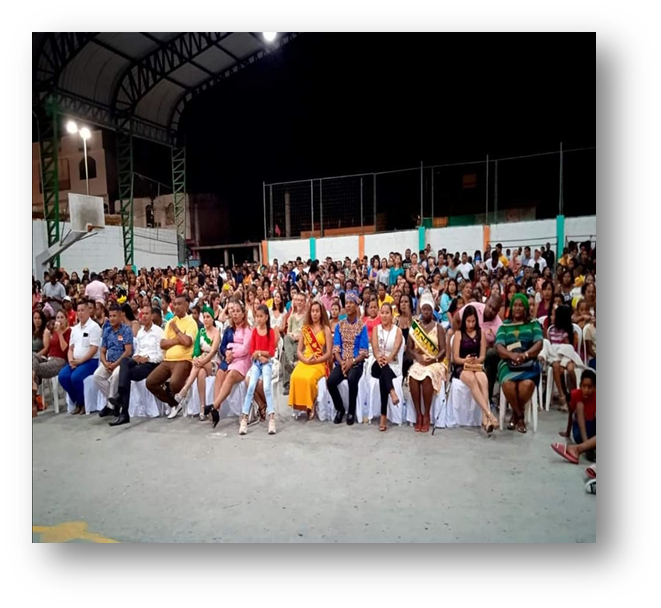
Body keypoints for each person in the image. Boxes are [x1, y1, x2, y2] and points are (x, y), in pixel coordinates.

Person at [106, 305, 165, 427]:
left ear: (152, 316)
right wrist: (136, 357)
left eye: (147, 314)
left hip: (151, 364)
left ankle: (123, 410)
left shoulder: (158, 332)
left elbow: (161, 356)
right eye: (142, 314)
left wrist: (147, 358)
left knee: (126, 375)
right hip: (139, 361)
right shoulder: (140, 333)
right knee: (124, 361)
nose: (144, 316)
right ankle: (122, 402)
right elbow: (137, 350)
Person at [495, 294, 544, 433]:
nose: (517, 308)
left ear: (526, 308)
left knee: (526, 385)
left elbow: (539, 343)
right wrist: (511, 355)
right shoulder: (504, 326)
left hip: (528, 361)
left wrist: (526, 354)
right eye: (515, 305)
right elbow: (499, 346)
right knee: (508, 384)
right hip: (508, 362)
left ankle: (515, 415)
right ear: (511, 308)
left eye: (521, 305)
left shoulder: (533, 324)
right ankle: (520, 416)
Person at [145, 294, 198, 420]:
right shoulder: (170, 322)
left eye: (179, 304)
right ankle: (173, 403)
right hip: (167, 360)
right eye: (175, 304)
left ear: (186, 305)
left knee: (174, 383)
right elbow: (162, 344)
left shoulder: (191, 322)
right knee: (150, 382)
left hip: (184, 360)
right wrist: (178, 340)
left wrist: (176, 330)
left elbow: (187, 342)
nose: (176, 307)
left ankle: (178, 400)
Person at [452, 305, 500, 434]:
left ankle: (484, 419)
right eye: (468, 321)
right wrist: (465, 360)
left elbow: (483, 356)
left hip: (476, 365)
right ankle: (489, 414)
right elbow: (455, 358)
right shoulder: (459, 334)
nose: (471, 324)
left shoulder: (481, 334)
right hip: (462, 366)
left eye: (473, 321)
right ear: (464, 321)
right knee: (472, 380)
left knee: (483, 380)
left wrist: (477, 360)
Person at [207, 300, 253, 427]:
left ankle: (214, 406)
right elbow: (222, 347)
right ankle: (216, 411)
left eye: (238, 311)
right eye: (233, 311)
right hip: (229, 359)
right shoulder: (229, 329)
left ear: (243, 314)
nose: (235, 314)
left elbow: (245, 350)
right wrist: (226, 352)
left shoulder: (248, 330)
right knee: (220, 374)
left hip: (243, 360)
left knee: (231, 375)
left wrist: (231, 350)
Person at [407, 293, 447, 433]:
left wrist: (434, 359)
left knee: (427, 376)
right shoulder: (415, 328)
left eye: (428, 309)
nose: (426, 312)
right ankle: (418, 414)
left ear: (432, 311)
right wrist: (417, 356)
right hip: (421, 360)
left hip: (435, 361)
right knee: (413, 375)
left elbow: (443, 350)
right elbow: (409, 349)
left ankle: (427, 415)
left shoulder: (438, 327)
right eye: (424, 309)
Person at [328, 292, 369, 426]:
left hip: (356, 363)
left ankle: (351, 412)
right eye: (347, 303)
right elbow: (336, 348)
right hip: (341, 362)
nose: (349, 305)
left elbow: (364, 351)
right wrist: (342, 363)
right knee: (330, 382)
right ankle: (340, 409)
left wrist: (352, 362)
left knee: (352, 379)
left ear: (357, 306)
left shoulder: (362, 326)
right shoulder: (340, 325)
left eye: (352, 303)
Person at [174, 305, 221, 420]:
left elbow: (213, 352)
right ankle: (202, 407)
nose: (206, 319)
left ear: (212, 318)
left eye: (208, 317)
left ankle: (185, 389)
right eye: (204, 317)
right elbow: (196, 349)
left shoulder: (216, 333)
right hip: (201, 362)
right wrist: (195, 358)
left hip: (213, 362)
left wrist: (201, 361)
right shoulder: (201, 331)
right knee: (200, 373)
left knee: (199, 364)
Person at [288, 301, 333, 420]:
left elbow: (329, 353)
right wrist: (305, 360)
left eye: (317, 311)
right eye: (313, 311)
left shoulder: (326, 330)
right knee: (294, 377)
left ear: (321, 313)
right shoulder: (305, 329)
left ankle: (310, 404)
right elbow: (299, 350)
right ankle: (300, 406)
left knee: (309, 379)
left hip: (320, 362)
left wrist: (316, 360)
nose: (315, 314)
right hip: (306, 360)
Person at [58, 299, 102, 415]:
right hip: (75, 361)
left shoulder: (94, 327)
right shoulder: (75, 329)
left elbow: (94, 349)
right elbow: (70, 348)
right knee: (63, 376)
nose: (80, 313)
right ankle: (77, 400)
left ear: (88, 311)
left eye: (83, 310)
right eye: (78, 311)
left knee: (76, 377)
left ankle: (82, 403)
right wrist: (71, 360)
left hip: (90, 361)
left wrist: (80, 361)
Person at [239, 305, 277, 435]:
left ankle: (271, 418)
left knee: (266, 387)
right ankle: (244, 418)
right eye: (257, 316)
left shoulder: (270, 332)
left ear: (266, 317)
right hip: (257, 363)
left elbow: (271, 352)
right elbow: (252, 351)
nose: (259, 319)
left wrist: (259, 353)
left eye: (261, 316)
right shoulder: (255, 331)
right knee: (250, 387)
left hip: (267, 364)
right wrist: (260, 355)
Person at [95, 303, 134, 417]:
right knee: (97, 376)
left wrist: (116, 364)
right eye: (110, 316)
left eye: (114, 316)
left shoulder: (126, 330)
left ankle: (110, 407)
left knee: (115, 377)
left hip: (122, 363)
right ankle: (114, 403)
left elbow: (128, 352)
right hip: (109, 363)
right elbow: (102, 351)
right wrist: (105, 363)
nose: (111, 318)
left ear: (120, 316)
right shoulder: (107, 331)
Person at [370, 303, 403, 431]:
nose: (384, 315)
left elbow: (395, 349)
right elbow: (375, 348)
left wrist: (387, 359)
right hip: (377, 363)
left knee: (384, 377)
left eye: (387, 313)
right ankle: (392, 392)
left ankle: (383, 416)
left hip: (392, 364)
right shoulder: (376, 329)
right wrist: (379, 358)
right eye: (382, 313)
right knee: (383, 369)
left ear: (391, 315)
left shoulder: (397, 331)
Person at [32, 309, 71, 415]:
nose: (59, 320)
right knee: (31, 357)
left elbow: (65, 349)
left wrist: (60, 333)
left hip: (60, 361)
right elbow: (50, 348)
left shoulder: (69, 331)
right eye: (57, 317)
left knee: (33, 369)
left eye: (62, 317)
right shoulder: (54, 332)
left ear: (66, 319)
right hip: (50, 359)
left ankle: (33, 404)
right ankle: (33, 401)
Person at [546, 304, 579, 410]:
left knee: (570, 369)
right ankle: (562, 396)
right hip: (554, 357)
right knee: (556, 366)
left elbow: (568, 349)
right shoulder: (551, 330)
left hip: (566, 357)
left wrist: (564, 363)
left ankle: (575, 393)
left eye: (553, 315)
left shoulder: (566, 332)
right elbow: (549, 347)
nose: (551, 317)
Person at [559, 368, 596, 445]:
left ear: (595, 387)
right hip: (579, 433)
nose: (586, 390)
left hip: (593, 430)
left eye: (590, 387)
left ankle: (588, 445)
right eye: (584, 386)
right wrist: (567, 432)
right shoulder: (574, 395)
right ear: (580, 385)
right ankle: (586, 444)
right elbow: (571, 413)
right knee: (579, 405)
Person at [282, 292, 307, 396]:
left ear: (305, 302)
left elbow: (308, 333)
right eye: (298, 300)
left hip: (302, 342)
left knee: (284, 354)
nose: (299, 302)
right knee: (286, 338)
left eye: (301, 300)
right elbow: (288, 331)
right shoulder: (292, 317)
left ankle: (288, 382)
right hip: (291, 340)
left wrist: (300, 336)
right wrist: (292, 335)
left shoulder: (307, 317)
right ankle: (291, 363)